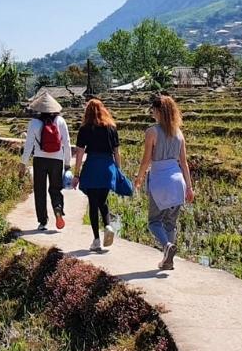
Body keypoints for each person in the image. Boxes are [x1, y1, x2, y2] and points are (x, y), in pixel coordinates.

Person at [134, 93, 194, 271]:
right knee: (170, 223)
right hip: (178, 181)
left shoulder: (152, 131)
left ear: (159, 111)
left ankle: (167, 246)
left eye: (153, 109)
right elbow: (184, 163)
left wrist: (139, 177)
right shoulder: (179, 133)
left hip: (160, 180)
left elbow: (146, 160)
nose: (152, 112)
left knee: (154, 222)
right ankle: (168, 260)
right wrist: (189, 187)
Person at [72, 98, 121, 252]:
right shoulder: (111, 128)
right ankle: (107, 226)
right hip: (107, 167)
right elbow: (116, 152)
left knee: (93, 203)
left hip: (92, 166)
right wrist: (118, 171)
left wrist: (76, 173)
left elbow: (79, 153)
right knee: (103, 200)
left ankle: (96, 240)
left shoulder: (85, 128)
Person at [20, 92, 72, 230]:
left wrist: (23, 163)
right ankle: (58, 208)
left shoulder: (33, 123)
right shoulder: (60, 121)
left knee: (40, 190)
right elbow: (66, 143)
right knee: (55, 188)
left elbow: (29, 145)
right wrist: (67, 164)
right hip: (57, 159)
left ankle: (43, 222)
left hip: (40, 159)